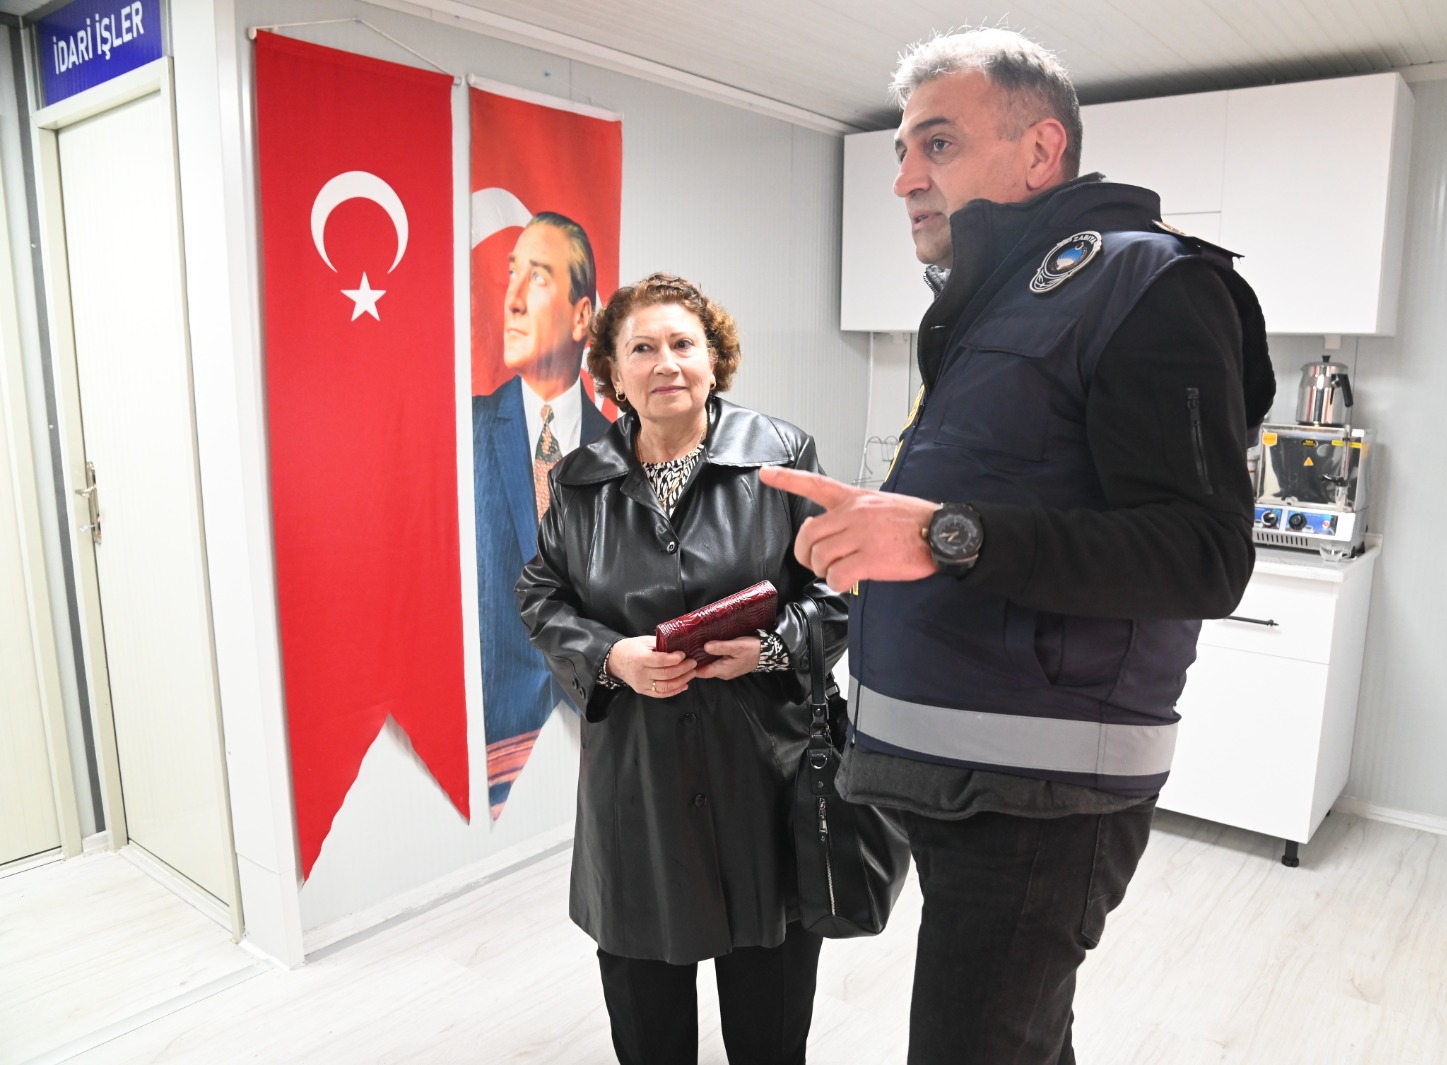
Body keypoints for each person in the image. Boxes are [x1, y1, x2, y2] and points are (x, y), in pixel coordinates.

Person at [759, 27, 1275, 1065]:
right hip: (958, 779)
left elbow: (1202, 554)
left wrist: (941, 534)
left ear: (1042, 151)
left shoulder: (1151, 283)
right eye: (903, 150)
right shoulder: (999, 301)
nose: (905, 178)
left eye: (938, 144)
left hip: (1037, 797)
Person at [516, 272, 847, 1065]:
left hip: (763, 780)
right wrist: (610, 655)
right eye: (642, 348)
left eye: (682, 344)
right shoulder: (579, 480)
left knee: (769, 1035)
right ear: (612, 371)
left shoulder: (782, 457)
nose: (665, 362)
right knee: (649, 1032)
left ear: (713, 358)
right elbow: (541, 595)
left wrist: (770, 646)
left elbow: (839, 591)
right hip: (638, 793)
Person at [472, 212, 612, 815]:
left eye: (537, 277)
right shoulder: (466, 433)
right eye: (511, 275)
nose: (511, 300)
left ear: (582, 318)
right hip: (495, 752)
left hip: (605, 730)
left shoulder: (623, 449)